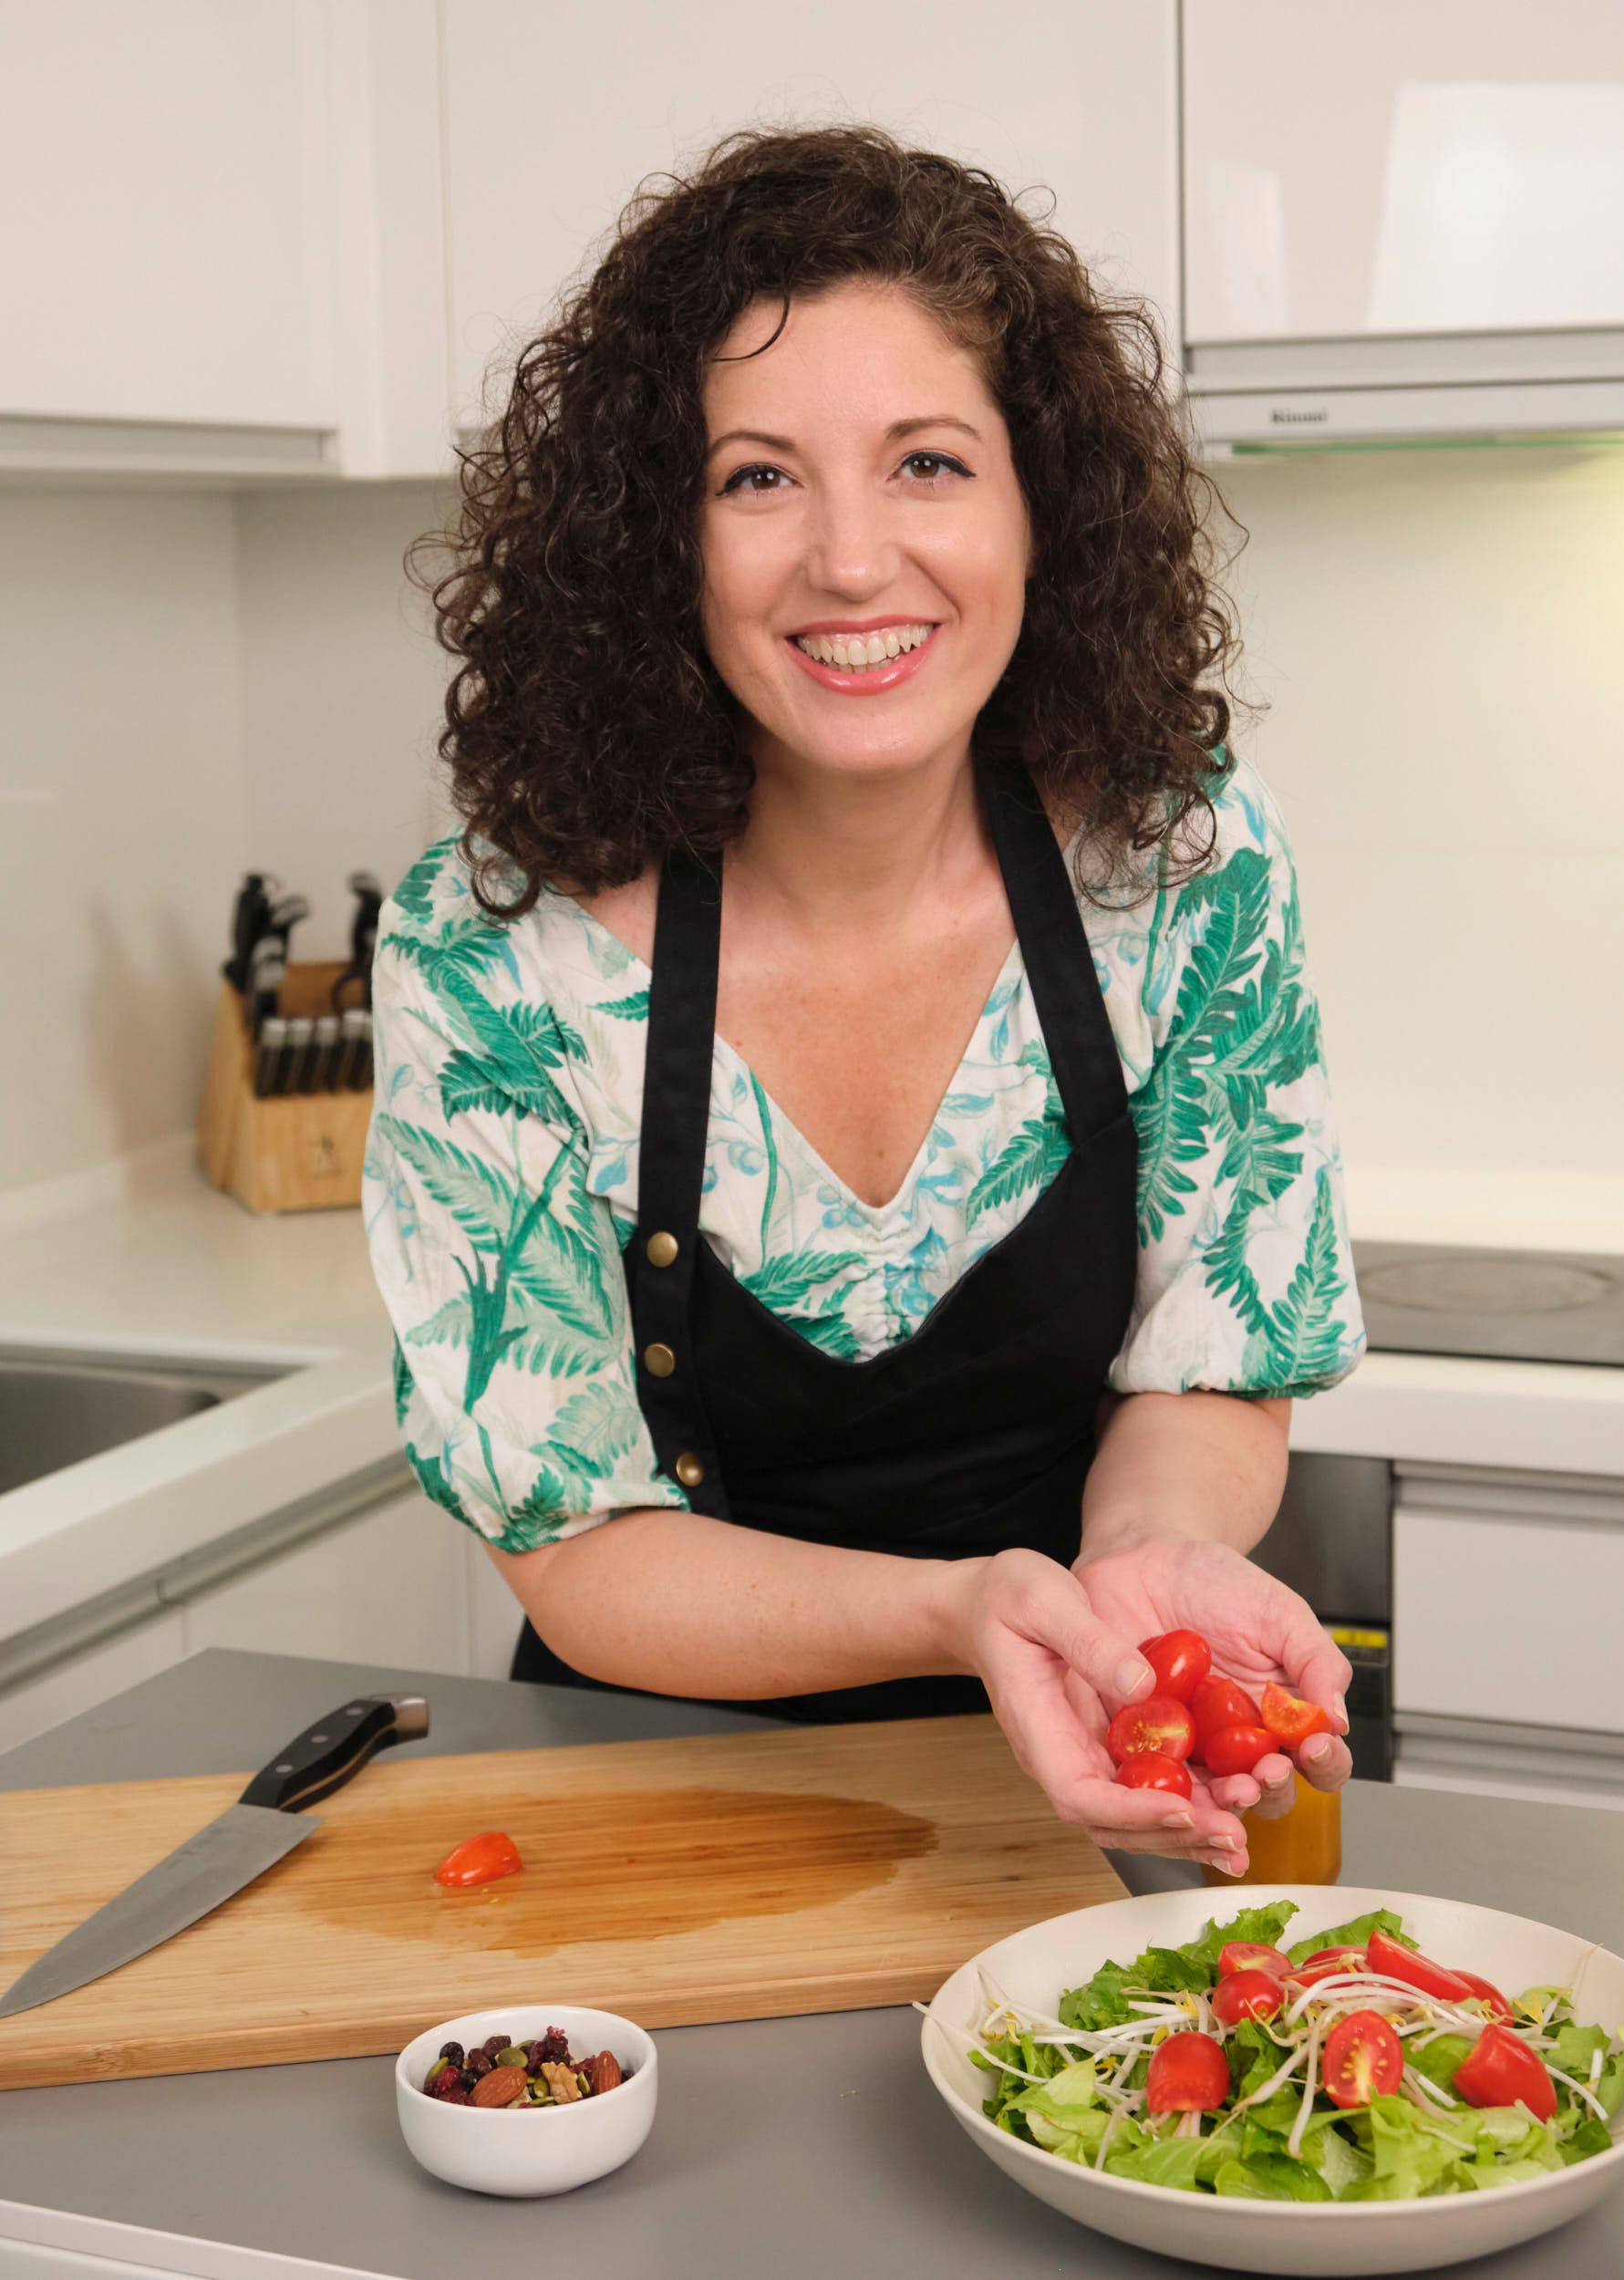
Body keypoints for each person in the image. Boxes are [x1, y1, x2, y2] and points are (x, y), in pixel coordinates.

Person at [365, 123, 1367, 1875]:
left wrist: (1134, 1572)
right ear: (651, 542)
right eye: (756, 477)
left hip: (1098, 1777)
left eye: (925, 462)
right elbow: (578, 1549)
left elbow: (1213, 1359)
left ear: (1036, 500)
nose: (848, 560)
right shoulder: (494, 949)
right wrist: (963, 1614)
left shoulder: (1179, 864)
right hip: (650, 1816)